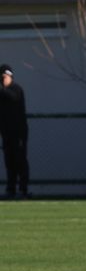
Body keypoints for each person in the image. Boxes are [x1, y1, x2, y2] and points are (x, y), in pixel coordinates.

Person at [0, 64, 30, 199]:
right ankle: (10, 189)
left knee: (20, 161)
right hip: (6, 134)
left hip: (18, 133)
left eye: (4, 77)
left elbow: (13, 97)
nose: (3, 81)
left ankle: (23, 189)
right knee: (9, 162)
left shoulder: (16, 89)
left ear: (10, 76)